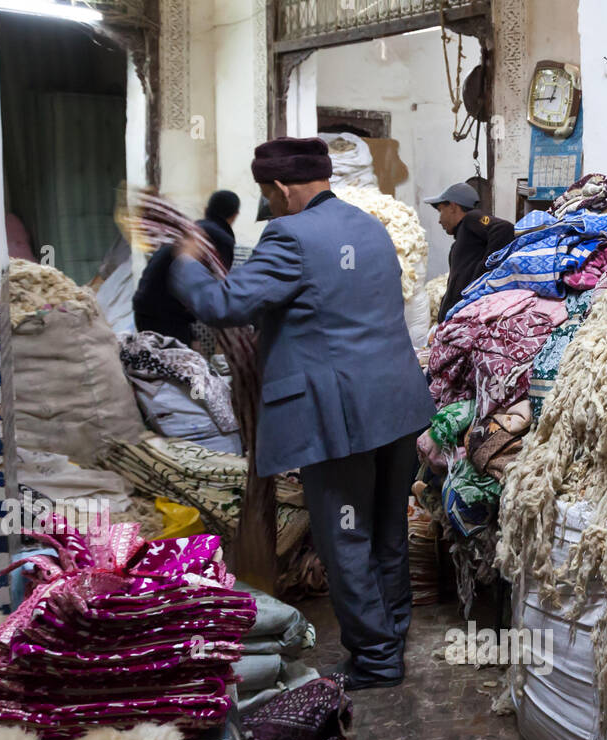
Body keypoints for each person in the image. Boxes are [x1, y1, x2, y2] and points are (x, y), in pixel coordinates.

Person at [169, 137, 436, 691]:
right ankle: (392, 640)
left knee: (346, 537)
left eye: (268, 194)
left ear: (282, 189)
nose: (269, 204)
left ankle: (376, 659)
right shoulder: (370, 227)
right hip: (396, 403)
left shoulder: (288, 235)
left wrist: (186, 262)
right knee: (387, 531)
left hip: (340, 415)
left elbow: (225, 304)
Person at [134, 189, 241, 345]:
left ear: (206, 210)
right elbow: (214, 289)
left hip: (145, 306)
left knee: (159, 363)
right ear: (235, 215)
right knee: (175, 364)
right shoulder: (220, 240)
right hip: (166, 315)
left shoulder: (190, 230)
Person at [428, 182, 514, 322]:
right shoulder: (463, 237)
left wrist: (483, 273)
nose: (439, 220)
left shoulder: (472, 218)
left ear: (453, 206)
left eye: (440, 210)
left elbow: (503, 229)